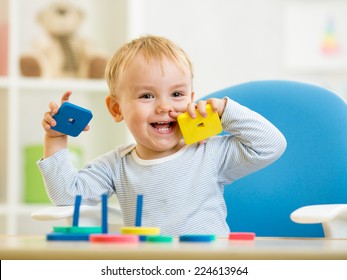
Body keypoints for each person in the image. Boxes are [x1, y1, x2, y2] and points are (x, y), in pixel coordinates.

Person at [39, 35, 287, 236]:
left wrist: (225, 111)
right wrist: (56, 139)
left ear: (192, 101)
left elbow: (271, 146)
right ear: (117, 109)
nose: (164, 107)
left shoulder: (209, 152)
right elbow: (67, 196)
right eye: (147, 96)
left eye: (177, 95)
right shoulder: (115, 165)